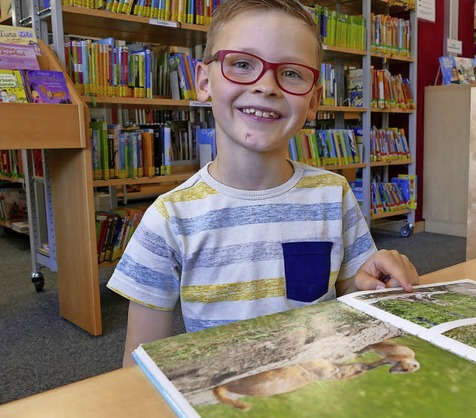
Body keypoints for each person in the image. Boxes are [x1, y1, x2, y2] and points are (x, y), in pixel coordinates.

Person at [107, 0, 419, 368]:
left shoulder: (333, 195)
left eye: (291, 73)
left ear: (314, 100)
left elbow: (349, 290)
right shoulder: (168, 218)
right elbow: (139, 365)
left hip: (317, 386)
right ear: (204, 82)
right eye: (242, 64)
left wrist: (375, 278)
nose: (266, 86)